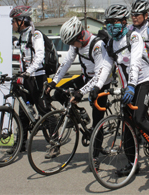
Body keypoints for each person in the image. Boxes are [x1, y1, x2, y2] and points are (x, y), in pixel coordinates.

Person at [94, 3, 149, 175]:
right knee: (127, 126)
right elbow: (106, 66)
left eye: (115, 21)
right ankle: (132, 165)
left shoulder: (134, 37)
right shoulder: (110, 43)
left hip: (143, 82)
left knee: (138, 118)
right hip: (127, 86)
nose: (111, 25)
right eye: (108, 22)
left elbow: (135, 63)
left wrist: (131, 85)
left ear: (124, 22)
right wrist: (97, 86)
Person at [47, 16, 111, 157]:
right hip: (85, 77)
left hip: (101, 82)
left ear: (80, 36)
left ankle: (96, 154)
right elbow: (66, 63)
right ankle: (79, 114)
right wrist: (54, 82)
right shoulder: (75, 44)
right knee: (58, 93)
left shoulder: (97, 45)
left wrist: (81, 92)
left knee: (97, 120)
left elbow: (99, 75)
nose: (71, 45)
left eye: (72, 42)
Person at [12, 5, 49, 148]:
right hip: (26, 77)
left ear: (22, 20)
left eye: (14, 21)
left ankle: (54, 141)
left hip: (37, 77)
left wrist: (29, 71)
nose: (12, 24)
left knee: (43, 110)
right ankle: (21, 143)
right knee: (23, 113)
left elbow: (39, 56)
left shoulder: (36, 34)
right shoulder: (21, 36)